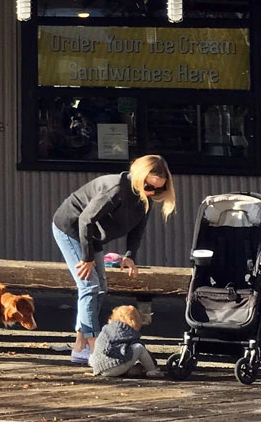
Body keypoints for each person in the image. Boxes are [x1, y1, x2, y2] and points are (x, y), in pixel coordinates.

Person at [51, 154, 176, 364]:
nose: (152, 192)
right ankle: (95, 351)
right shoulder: (115, 189)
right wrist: (87, 257)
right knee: (89, 287)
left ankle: (79, 347)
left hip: (93, 235)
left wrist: (129, 256)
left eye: (159, 189)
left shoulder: (145, 200)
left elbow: (138, 230)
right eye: (148, 186)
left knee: (100, 290)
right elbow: (85, 220)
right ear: (138, 176)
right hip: (71, 228)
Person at [90, 304, 161, 378]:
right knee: (139, 347)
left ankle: (130, 370)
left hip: (99, 368)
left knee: (129, 352)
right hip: (114, 366)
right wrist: (153, 363)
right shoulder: (128, 332)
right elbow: (142, 349)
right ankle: (152, 371)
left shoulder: (106, 329)